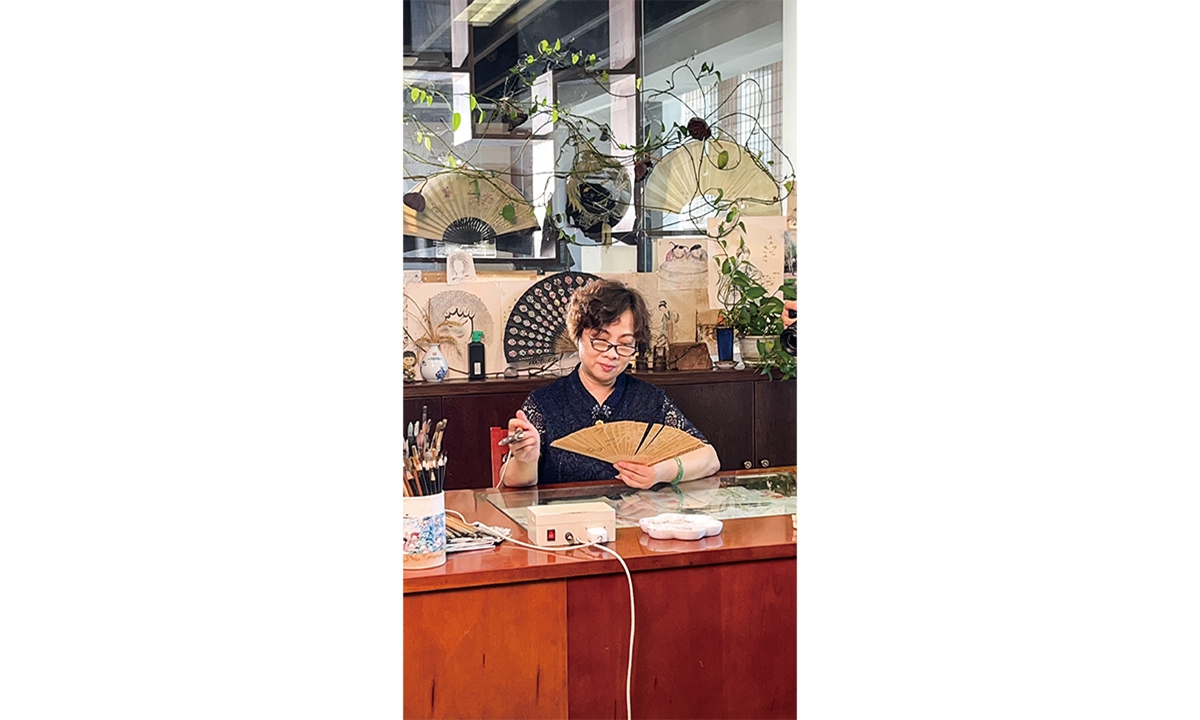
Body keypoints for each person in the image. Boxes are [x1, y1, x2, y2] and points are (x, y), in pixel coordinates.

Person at [501, 279, 721, 488]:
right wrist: (525, 459)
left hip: (636, 521)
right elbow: (513, 481)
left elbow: (709, 458)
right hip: (569, 522)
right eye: (600, 340)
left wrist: (660, 473)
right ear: (577, 336)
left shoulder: (651, 400)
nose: (612, 354)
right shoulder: (543, 404)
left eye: (625, 344)